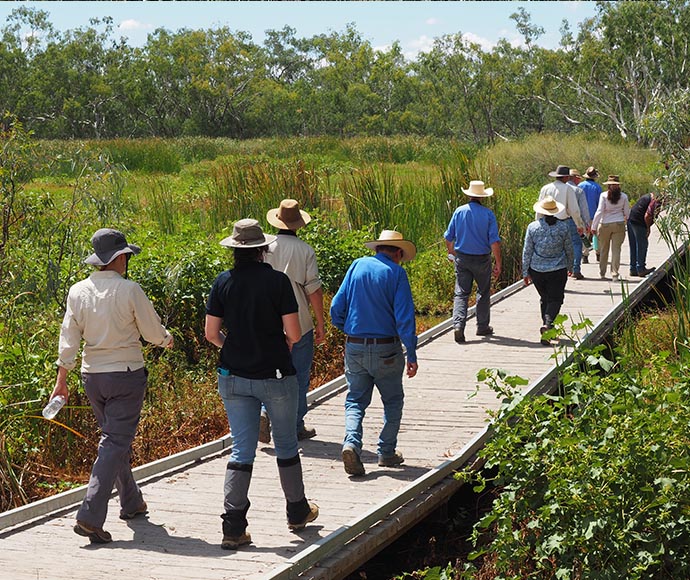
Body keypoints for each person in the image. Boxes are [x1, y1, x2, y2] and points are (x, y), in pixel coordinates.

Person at [51, 228, 174, 544]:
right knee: (114, 443)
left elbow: (68, 340)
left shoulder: (78, 291)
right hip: (126, 375)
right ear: (119, 258)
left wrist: (61, 382)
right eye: (126, 257)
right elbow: (151, 331)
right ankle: (90, 517)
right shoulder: (130, 290)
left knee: (114, 441)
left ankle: (131, 501)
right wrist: (165, 340)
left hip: (93, 377)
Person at [205, 219, 318, 549]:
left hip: (233, 377)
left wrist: (234, 346)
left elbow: (212, 334)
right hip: (276, 376)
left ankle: (233, 526)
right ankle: (297, 511)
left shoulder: (222, 283)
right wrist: (279, 341)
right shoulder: (278, 282)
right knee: (284, 443)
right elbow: (295, 334)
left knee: (242, 450)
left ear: (234, 251)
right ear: (263, 249)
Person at [330, 230, 419, 476]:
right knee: (392, 401)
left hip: (355, 345)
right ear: (398, 253)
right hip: (387, 349)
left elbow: (336, 307)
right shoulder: (397, 273)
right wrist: (411, 352)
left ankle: (351, 444)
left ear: (378, 248)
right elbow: (404, 318)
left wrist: (347, 329)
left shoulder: (357, 265)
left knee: (355, 400)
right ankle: (387, 453)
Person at [260, 199, 325, 444]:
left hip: (268, 321)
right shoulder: (305, 250)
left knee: (269, 372)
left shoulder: (265, 246)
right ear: (298, 224)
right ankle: (296, 425)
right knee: (298, 374)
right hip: (300, 322)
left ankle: (265, 414)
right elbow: (314, 290)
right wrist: (320, 323)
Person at [444, 180, 502, 344]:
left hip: (462, 257)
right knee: (483, 292)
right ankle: (482, 326)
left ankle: (458, 326)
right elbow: (494, 242)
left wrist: (451, 252)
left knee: (461, 293)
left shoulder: (459, 211)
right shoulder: (488, 214)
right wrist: (498, 263)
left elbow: (448, 237)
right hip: (482, 259)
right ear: (482, 197)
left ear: (469, 195)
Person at [522, 197, 574, 346]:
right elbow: (569, 249)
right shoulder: (563, 227)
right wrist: (571, 267)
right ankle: (548, 325)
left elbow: (527, 251)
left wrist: (525, 271)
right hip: (557, 269)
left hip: (537, 269)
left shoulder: (532, 227)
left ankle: (547, 327)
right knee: (556, 299)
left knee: (545, 298)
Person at [537, 165, 585, 280]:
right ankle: (568, 271)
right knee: (565, 249)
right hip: (563, 222)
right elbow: (574, 209)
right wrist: (579, 225)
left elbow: (539, 207)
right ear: (567, 177)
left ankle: (547, 273)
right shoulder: (568, 189)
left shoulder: (545, 188)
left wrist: (538, 222)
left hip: (545, 221)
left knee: (549, 249)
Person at [591, 175, 631, 282]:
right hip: (619, 224)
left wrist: (594, 226)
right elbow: (627, 212)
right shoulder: (624, 197)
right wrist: (626, 222)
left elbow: (599, 211)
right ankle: (614, 274)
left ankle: (602, 272)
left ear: (608, 185)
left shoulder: (603, 195)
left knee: (604, 249)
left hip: (605, 225)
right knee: (616, 250)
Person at [628, 192, 661, 277]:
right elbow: (647, 216)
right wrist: (648, 228)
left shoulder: (649, 196)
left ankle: (633, 269)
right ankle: (641, 269)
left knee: (634, 245)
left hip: (631, 219)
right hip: (639, 222)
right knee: (642, 244)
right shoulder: (657, 201)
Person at [568, 169, 593, 269]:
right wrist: (587, 224)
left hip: (558, 220)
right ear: (575, 178)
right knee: (577, 244)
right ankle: (575, 269)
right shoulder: (578, 190)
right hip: (574, 221)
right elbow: (583, 209)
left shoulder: (559, 188)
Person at [579, 166, 603, 261]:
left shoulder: (580, 186)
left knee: (584, 235)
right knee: (597, 234)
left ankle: (585, 255)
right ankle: (598, 253)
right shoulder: (597, 187)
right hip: (595, 214)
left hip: (582, 215)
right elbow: (599, 202)